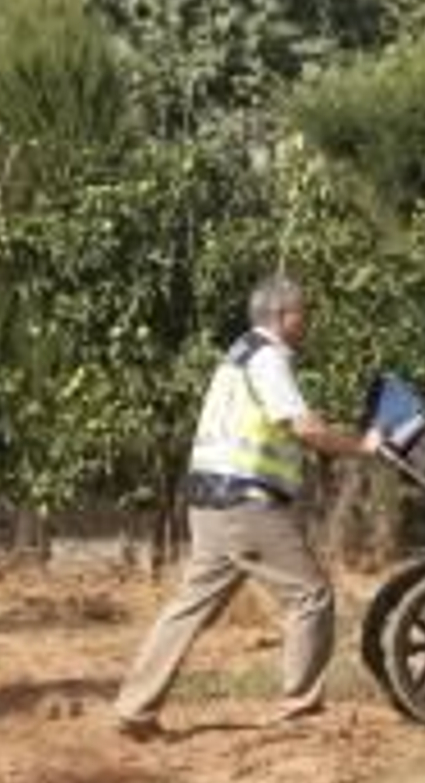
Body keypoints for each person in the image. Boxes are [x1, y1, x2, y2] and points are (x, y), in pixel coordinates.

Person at [113, 275, 379, 740]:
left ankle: (135, 709)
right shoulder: (269, 359)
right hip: (245, 504)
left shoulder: (237, 354)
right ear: (282, 316)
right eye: (304, 313)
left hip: (208, 502)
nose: (309, 322)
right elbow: (306, 429)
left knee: (189, 607)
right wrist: (364, 445)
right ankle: (300, 705)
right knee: (311, 595)